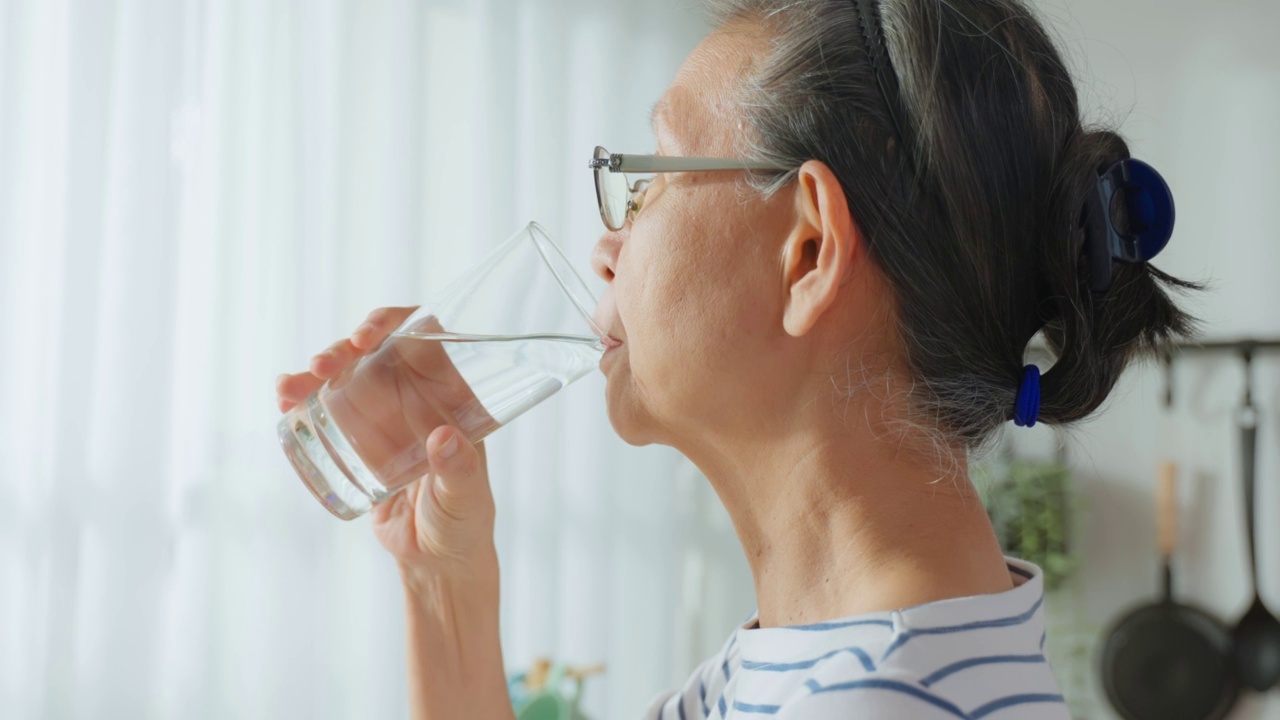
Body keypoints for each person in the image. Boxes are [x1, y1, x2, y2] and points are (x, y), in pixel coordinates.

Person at [276, 0, 1196, 716]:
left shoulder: (876, 704)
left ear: (805, 253)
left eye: (647, 180)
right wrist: (446, 590)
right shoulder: (842, 661)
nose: (606, 246)